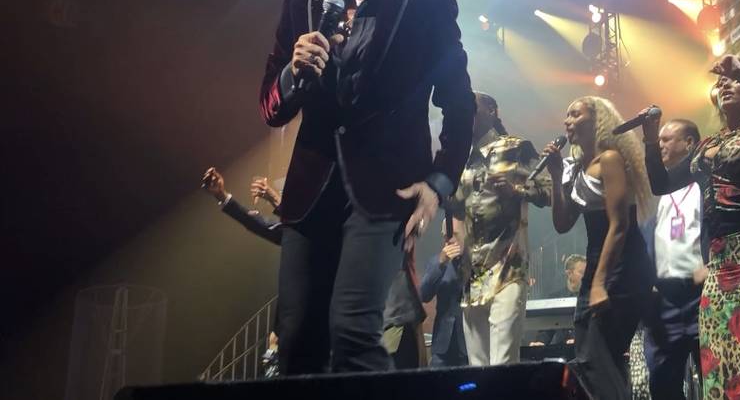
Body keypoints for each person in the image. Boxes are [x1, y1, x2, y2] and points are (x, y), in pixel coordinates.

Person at [258, 0, 475, 375]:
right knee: (295, 340)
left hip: (386, 191)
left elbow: (460, 107)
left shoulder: (426, 4)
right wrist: (293, 74)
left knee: (354, 331)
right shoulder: (302, 4)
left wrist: (438, 185)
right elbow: (270, 107)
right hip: (311, 192)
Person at [645, 54, 740, 398]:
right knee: (718, 355)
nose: (726, 84)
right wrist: (649, 137)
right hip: (720, 259)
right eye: (722, 82)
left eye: (736, 81)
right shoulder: (707, 145)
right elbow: (660, 184)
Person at [199, 167, 428, 370]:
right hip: (359, 328)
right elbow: (280, 229)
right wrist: (223, 197)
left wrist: (275, 199)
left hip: (392, 321)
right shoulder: (328, 226)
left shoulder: (383, 210)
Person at [542, 96, 655, 400]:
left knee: (600, 358)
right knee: (588, 358)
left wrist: (600, 283)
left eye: (575, 113)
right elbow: (562, 223)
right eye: (566, 114)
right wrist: (555, 176)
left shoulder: (610, 159)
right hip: (597, 264)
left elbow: (619, 225)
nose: (567, 120)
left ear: (597, 119)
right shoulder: (578, 168)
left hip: (624, 265)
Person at [451, 92, 551, 366]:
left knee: (503, 362)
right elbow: (455, 209)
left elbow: (549, 191)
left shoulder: (516, 147)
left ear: (492, 111)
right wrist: (453, 243)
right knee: (477, 365)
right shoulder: (460, 157)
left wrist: (515, 190)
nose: (466, 113)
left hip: (508, 266)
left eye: (472, 107)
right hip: (472, 274)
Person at [639, 118, 706, 400]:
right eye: (660, 140)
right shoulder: (658, 191)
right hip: (663, 300)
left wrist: (712, 264)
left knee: (714, 373)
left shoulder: (705, 182)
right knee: (663, 383)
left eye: (667, 139)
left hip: (701, 295)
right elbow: (645, 240)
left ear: (689, 143)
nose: (661, 145)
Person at [420, 230, 468, 367]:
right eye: (446, 235)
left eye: (454, 234)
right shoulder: (436, 262)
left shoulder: (475, 262)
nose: (449, 239)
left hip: (468, 341)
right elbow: (424, 294)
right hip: (442, 343)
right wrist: (441, 263)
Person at [531, 255, 586, 347]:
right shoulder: (554, 298)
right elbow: (547, 326)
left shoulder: (590, 298)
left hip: (583, 350)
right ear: (569, 273)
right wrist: (541, 342)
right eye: (582, 272)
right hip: (560, 350)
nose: (586, 275)